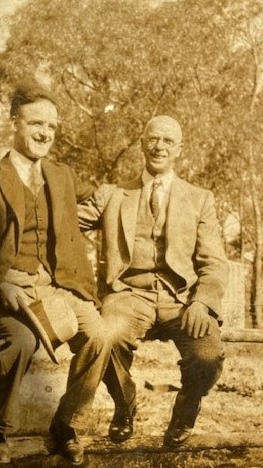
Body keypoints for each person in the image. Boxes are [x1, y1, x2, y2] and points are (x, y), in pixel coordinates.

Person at [0, 82, 111, 466]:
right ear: (14, 123)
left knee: (100, 336)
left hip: (60, 288)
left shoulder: (62, 176)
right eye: (36, 124)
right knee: (22, 341)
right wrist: (0, 284)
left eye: (52, 127)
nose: (45, 134)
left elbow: (105, 203)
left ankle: (66, 426)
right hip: (11, 291)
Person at [78, 115, 229, 447]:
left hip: (182, 300)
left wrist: (202, 302)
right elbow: (63, 222)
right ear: (142, 143)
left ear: (179, 150)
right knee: (104, 337)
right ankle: (125, 403)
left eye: (168, 141)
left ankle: (186, 410)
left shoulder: (199, 197)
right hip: (129, 295)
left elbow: (215, 262)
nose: (159, 147)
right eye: (153, 139)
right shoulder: (113, 194)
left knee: (209, 354)